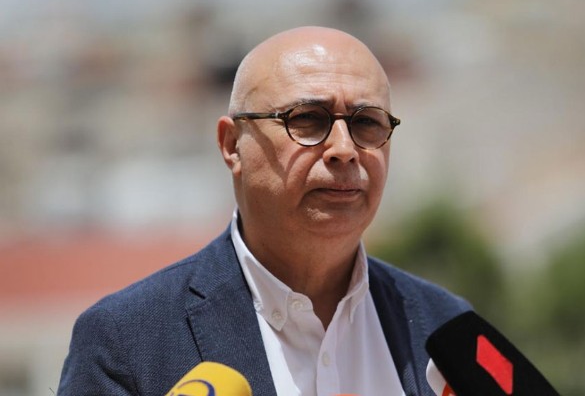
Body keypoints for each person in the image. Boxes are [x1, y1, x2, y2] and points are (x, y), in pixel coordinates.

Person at [57, 26, 471, 396]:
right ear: (232, 145)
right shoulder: (127, 342)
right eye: (307, 118)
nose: (344, 149)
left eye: (367, 123)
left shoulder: (449, 328)